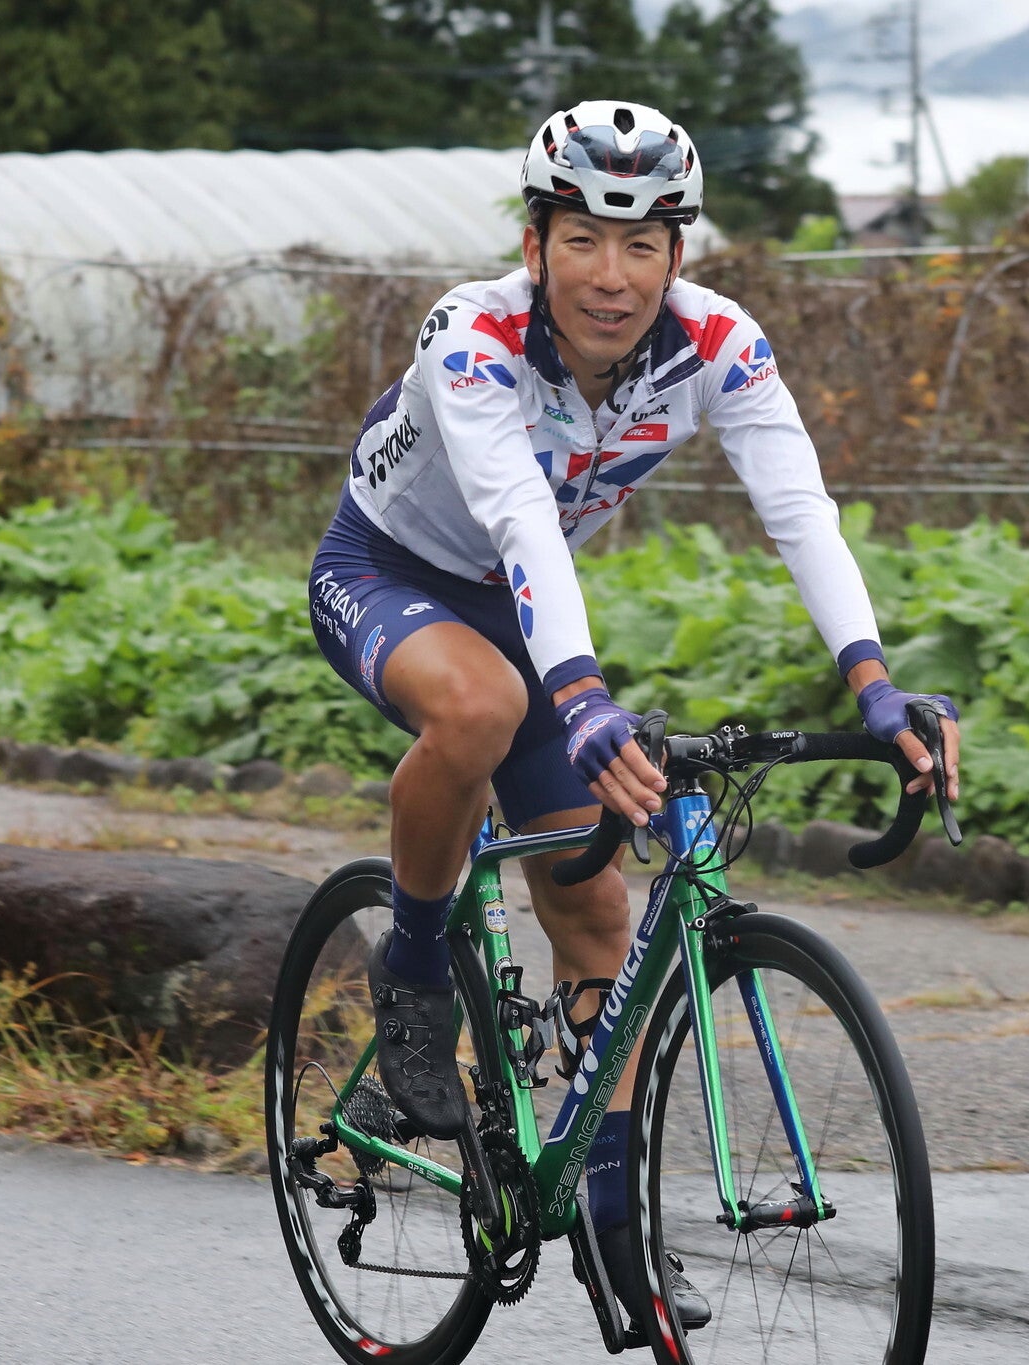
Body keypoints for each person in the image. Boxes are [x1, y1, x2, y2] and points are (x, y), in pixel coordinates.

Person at [306, 98, 962, 1329]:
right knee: (484, 705)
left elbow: (799, 512)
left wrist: (873, 686)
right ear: (536, 239)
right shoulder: (473, 333)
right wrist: (586, 698)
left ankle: (611, 1230)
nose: (611, 279)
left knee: (595, 904)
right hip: (389, 572)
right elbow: (511, 522)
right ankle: (409, 978)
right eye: (582, 243)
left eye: (642, 246)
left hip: (522, 607)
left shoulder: (718, 343)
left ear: (680, 254)